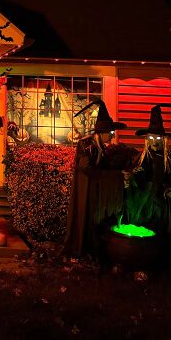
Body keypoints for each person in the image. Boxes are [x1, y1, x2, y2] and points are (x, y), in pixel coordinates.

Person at [63, 99, 133, 260]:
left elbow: (104, 168)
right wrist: (112, 175)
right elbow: (86, 168)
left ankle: (92, 250)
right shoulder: (86, 145)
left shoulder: (102, 148)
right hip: (85, 189)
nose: (112, 135)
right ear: (101, 132)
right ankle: (77, 250)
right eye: (110, 132)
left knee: (94, 219)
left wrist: (119, 174)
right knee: (83, 218)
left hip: (95, 190)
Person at [124, 105, 171, 244]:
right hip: (143, 207)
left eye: (158, 138)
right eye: (151, 137)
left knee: (161, 237)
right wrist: (131, 178)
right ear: (147, 139)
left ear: (164, 139)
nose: (155, 141)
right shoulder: (141, 159)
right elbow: (135, 180)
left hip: (163, 206)